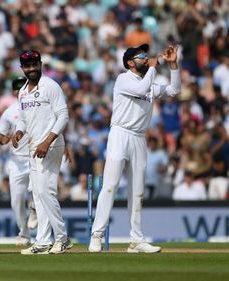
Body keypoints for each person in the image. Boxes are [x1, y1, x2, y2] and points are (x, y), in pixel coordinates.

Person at [88, 44, 180, 253]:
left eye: (146, 55)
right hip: (120, 134)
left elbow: (174, 90)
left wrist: (173, 65)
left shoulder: (149, 83)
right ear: (130, 62)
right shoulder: (123, 79)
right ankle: (97, 235)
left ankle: (136, 239)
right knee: (110, 186)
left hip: (139, 138)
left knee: (137, 191)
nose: (146, 58)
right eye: (141, 56)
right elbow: (140, 89)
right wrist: (155, 66)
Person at [12, 50, 72, 255]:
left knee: (46, 193)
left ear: (40, 64)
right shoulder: (22, 92)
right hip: (34, 147)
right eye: (27, 66)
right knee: (38, 195)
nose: (31, 69)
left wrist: (47, 141)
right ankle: (43, 241)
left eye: (34, 64)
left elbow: (63, 116)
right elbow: (23, 118)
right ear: (22, 68)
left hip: (50, 145)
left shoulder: (51, 86)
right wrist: (19, 131)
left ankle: (62, 238)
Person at [0, 77, 35, 246]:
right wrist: (4, 140)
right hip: (16, 161)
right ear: (13, 92)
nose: (20, 92)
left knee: (38, 192)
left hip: (35, 157)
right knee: (16, 201)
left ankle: (34, 208)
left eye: (23, 88)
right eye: (17, 89)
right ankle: (24, 234)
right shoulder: (9, 112)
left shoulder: (37, 107)